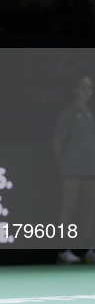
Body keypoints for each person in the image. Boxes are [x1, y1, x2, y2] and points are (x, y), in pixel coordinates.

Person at [53, 76, 95, 264]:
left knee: (90, 209)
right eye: (83, 87)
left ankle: (89, 250)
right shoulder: (68, 113)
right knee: (68, 208)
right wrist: (64, 164)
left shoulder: (89, 114)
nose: (87, 91)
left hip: (89, 169)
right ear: (75, 90)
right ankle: (63, 251)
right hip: (71, 169)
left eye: (89, 88)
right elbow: (57, 142)